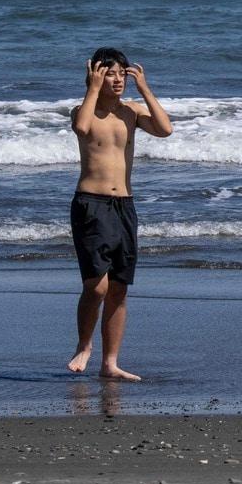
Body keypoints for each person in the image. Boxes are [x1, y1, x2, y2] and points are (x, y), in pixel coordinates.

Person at [66, 48, 173, 381]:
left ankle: (110, 363)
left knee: (119, 289)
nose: (117, 80)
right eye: (110, 73)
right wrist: (92, 88)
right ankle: (84, 345)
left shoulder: (132, 112)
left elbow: (165, 129)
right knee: (96, 288)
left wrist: (144, 89)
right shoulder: (83, 110)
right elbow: (82, 129)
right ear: (96, 74)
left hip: (124, 207)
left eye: (121, 74)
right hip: (91, 205)